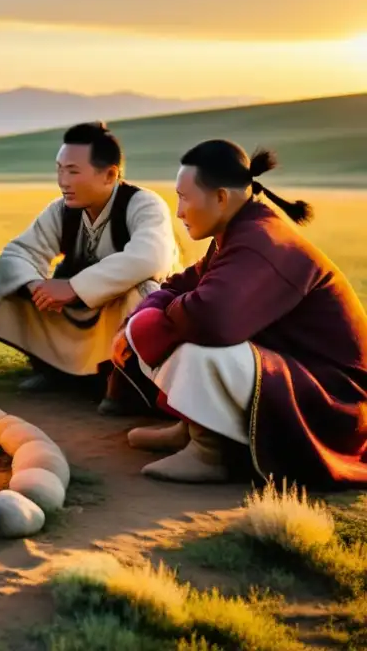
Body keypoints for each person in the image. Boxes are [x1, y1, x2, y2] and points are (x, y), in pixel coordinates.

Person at [119, 140, 367, 487]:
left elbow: (212, 320)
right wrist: (139, 319)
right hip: (297, 374)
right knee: (157, 319)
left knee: (198, 346)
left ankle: (211, 452)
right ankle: (195, 426)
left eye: (185, 198)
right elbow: (180, 284)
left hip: (332, 402)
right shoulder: (232, 233)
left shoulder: (261, 240)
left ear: (221, 198)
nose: (179, 211)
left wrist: (151, 320)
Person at [0, 122, 179, 405]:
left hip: (119, 311)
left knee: (142, 292)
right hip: (82, 311)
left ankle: (126, 385)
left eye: (73, 171)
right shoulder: (62, 211)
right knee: (19, 284)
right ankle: (56, 370)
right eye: (60, 169)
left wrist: (75, 287)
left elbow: (150, 256)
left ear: (110, 175)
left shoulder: (144, 204)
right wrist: (37, 287)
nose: (63, 181)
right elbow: (18, 253)